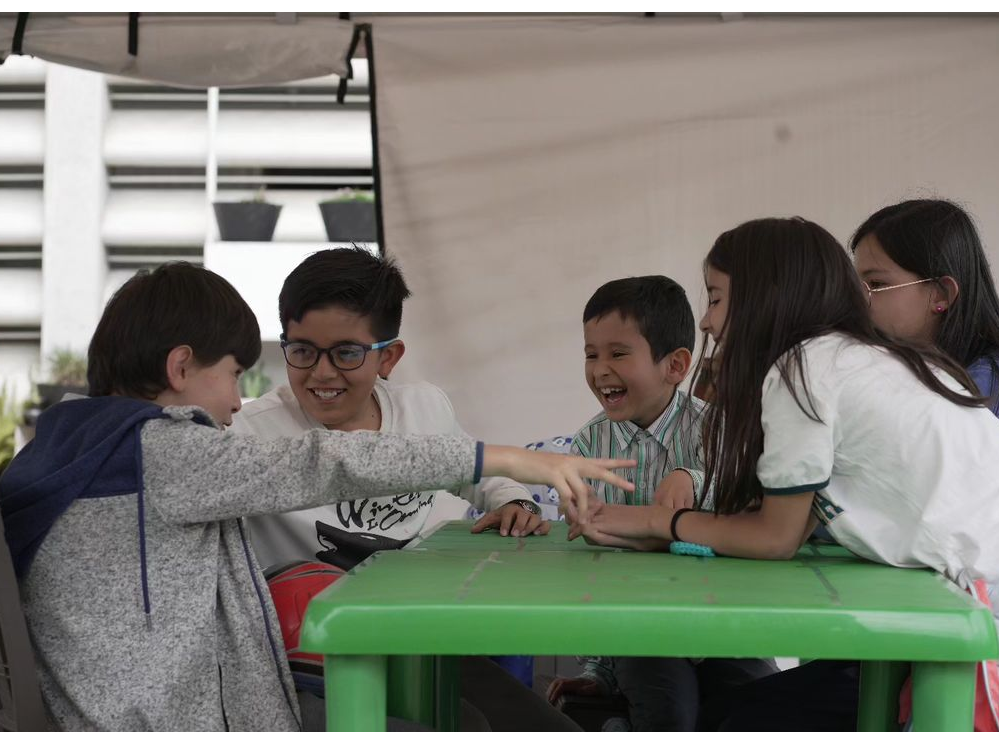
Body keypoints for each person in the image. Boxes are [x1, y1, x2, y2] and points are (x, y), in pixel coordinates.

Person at [0, 262, 634, 731]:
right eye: (230, 376)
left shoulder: (74, 445)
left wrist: (502, 479)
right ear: (180, 368)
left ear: (389, 359)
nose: (234, 401)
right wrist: (511, 457)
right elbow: (321, 460)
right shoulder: (158, 451)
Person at [568, 217, 999, 731]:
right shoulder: (852, 358)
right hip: (998, 580)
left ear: (764, 297)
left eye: (715, 298)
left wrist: (658, 523)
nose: (705, 322)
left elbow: (776, 537)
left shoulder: (802, 372)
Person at [232, 247, 577, 731]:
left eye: (347, 353)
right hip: (324, 662)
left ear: (389, 356)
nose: (322, 372)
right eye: (303, 350)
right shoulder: (249, 433)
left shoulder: (424, 409)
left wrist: (512, 501)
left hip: (435, 637)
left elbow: (479, 474)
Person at [546, 275, 776, 731]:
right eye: (591, 354)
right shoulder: (590, 444)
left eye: (617, 354)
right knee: (668, 716)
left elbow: (751, 498)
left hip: (725, 630)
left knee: (761, 710)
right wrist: (598, 668)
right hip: (640, 632)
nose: (599, 369)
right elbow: (593, 572)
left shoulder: (716, 429)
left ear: (675, 365)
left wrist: (692, 479)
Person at [852, 198, 999, 457]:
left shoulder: (995, 380)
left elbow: (959, 486)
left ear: (941, 294)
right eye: (857, 286)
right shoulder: (897, 370)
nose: (860, 300)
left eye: (876, 284)